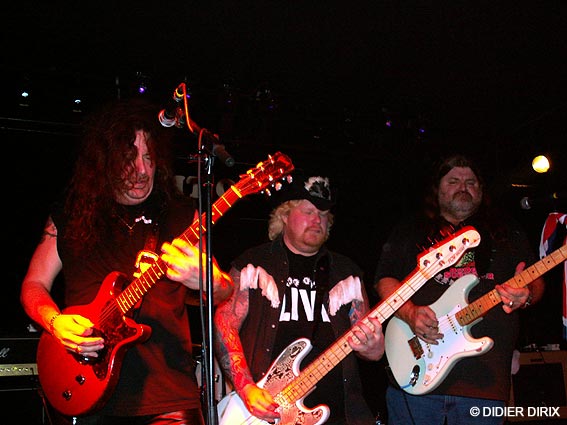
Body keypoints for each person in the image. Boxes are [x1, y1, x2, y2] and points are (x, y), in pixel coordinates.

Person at [20, 97, 233, 425]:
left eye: (148, 157)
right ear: (104, 162)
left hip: (167, 395)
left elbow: (223, 291)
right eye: (129, 158)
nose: (142, 170)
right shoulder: (71, 216)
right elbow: (34, 285)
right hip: (84, 390)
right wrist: (55, 322)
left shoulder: (181, 215)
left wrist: (209, 280)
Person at [374, 153, 546, 425]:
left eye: (471, 182)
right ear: (437, 189)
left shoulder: (506, 230)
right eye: (453, 181)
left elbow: (535, 280)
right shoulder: (411, 229)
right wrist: (410, 313)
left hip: (485, 383)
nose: (463, 187)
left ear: (482, 191)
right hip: (414, 372)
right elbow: (385, 280)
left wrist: (527, 296)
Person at [213, 174, 385, 425]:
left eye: (324, 215)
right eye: (309, 211)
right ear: (284, 215)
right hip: (269, 413)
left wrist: (374, 348)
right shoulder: (253, 264)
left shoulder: (346, 272)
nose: (317, 220)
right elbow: (224, 326)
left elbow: (369, 348)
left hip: (340, 414)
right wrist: (246, 387)